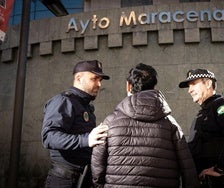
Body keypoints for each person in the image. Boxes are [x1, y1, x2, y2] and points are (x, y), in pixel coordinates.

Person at [91, 63, 199, 188]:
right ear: (154, 87)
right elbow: (187, 167)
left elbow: (97, 165)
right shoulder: (170, 123)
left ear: (128, 86)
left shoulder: (110, 122)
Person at [41, 60, 110, 188]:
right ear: (78, 78)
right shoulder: (64, 101)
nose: (99, 84)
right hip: (64, 180)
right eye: (94, 78)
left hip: (83, 179)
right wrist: (86, 139)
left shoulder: (85, 106)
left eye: (100, 80)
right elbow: (49, 137)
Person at [178, 68, 224, 188]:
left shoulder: (221, 105)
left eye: (194, 84)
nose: (190, 90)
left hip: (218, 183)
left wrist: (220, 168)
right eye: (189, 86)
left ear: (208, 83)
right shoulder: (203, 113)